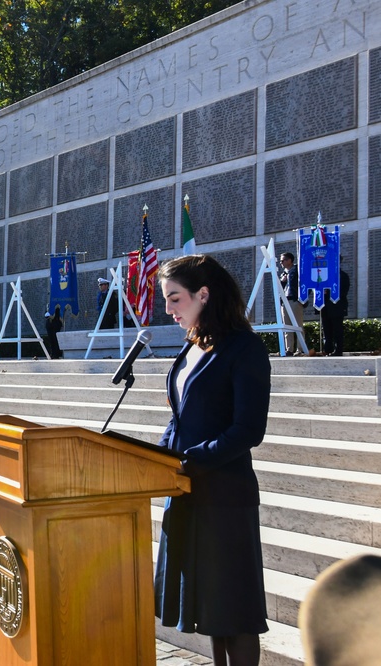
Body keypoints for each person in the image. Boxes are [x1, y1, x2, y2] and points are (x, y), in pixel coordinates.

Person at [154, 254, 271, 666]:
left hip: (224, 497)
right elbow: (180, 417)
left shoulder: (245, 348)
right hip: (186, 492)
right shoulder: (192, 344)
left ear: (203, 294)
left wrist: (190, 461)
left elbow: (248, 429)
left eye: (175, 299)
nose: (168, 309)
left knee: (235, 613)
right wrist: (155, 457)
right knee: (209, 611)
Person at [278, 252, 305, 356]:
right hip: (284, 301)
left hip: (294, 300)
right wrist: (282, 281)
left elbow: (304, 285)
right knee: (287, 326)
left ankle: (300, 349)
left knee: (298, 325)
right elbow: (279, 288)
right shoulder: (283, 274)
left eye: (283, 260)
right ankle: (289, 349)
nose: (281, 262)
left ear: (289, 260)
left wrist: (301, 299)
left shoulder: (297, 271)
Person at [321, 266, 350, 357]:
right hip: (325, 306)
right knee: (326, 328)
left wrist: (328, 291)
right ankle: (328, 349)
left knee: (337, 329)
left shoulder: (342, 275)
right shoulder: (325, 275)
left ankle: (338, 350)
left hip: (337, 306)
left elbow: (342, 291)